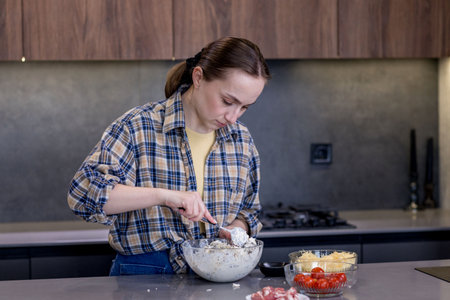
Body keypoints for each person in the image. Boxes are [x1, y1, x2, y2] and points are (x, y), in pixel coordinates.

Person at [67, 36, 271, 275]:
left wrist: (233, 231)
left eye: (245, 107)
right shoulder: (138, 127)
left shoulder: (241, 140)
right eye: (228, 101)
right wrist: (164, 196)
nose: (233, 117)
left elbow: (249, 211)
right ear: (198, 77)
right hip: (142, 275)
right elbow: (83, 194)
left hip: (217, 275)